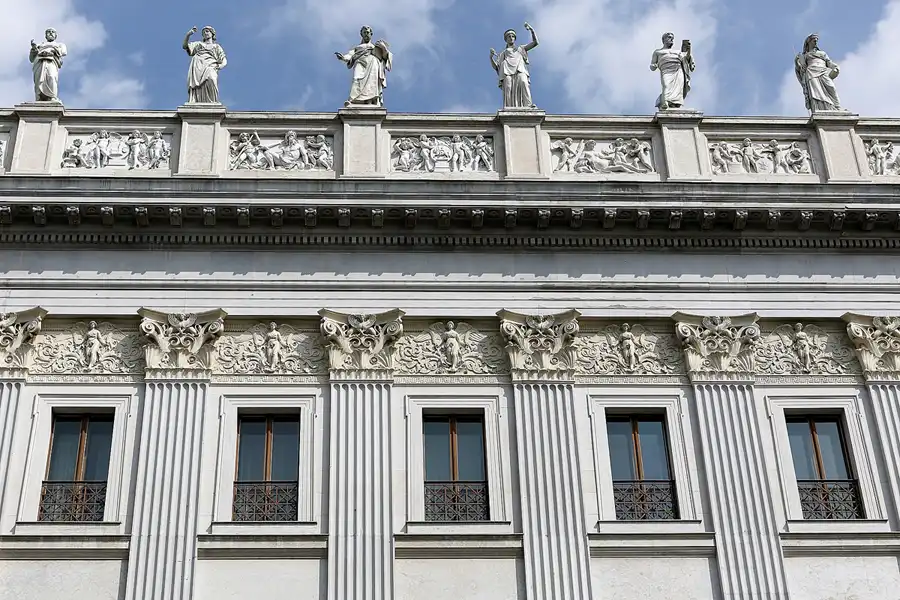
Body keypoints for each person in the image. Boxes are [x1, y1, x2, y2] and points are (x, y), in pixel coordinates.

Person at [335, 26, 392, 107]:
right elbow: (350, 55)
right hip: (360, 62)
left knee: (371, 82)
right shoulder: (358, 48)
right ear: (361, 34)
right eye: (364, 33)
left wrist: (384, 48)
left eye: (368, 32)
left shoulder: (375, 46)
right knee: (356, 79)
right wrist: (343, 58)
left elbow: (385, 57)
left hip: (372, 63)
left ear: (371, 34)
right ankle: (353, 100)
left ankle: (370, 101)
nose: (366, 34)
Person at [490, 23, 539, 109]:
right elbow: (496, 67)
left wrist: (532, 31)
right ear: (506, 39)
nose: (511, 38)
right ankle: (509, 107)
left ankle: (528, 105)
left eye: (512, 36)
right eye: (509, 36)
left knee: (524, 83)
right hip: (507, 71)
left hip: (520, 69)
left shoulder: (521, 49)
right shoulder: (503, 53)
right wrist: (491, 57)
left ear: (515, 38)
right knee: (508, 87)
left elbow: (535, 43)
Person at [795, 34, 841, 112]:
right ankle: (818, 109)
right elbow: (802, 69)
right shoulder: (805, 55)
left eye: (816, 40)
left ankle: (837, 108)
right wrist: (797, 62)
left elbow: (829, 63)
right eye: (814, 40)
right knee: (816, 92)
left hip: (823, 71)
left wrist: (835, 67)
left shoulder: (822, 53)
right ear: (808, 42)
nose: (816, 42)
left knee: (831, 88)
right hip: (811, 73)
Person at [650, 33, 694, 110]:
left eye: (672, 38)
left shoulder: (677, 52)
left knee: (678, 89)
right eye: (669, 38)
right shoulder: (657, 52)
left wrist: (689, 49)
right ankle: (665, 103)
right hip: (666, 70)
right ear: (664, 40)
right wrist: (653, 66)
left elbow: (686, 58)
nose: (672, 40)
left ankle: (675, 105)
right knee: (666, 86)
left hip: (677, 70)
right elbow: (652, 65)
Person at [183, 26, 227, 104]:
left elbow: (223, 59)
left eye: (207, 31)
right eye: (203, 33)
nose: (205, 33)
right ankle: (196, 101)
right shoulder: (198, 44)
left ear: (212, 33)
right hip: (197, 65)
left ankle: (212, 102)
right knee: (197, 86)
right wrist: (188, 35)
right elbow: (185, 46)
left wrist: (221, 66)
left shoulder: (216, 46)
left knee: (212, 79)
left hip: (210, 65)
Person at [30, 28, 67, 102]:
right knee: (39, 79)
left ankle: (52, 97)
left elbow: (64, 52)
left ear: (55, 35)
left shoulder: (59, 44)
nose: (50, 33)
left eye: (52, 32)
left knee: (51, 77)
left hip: (51, 61)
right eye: (48, 32)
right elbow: (31, 58)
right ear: (45, 36)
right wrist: (34, 49)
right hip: (39, 62)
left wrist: (53, 50)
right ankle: (39, 97)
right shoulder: (40, 45)